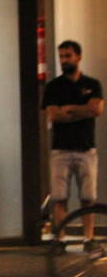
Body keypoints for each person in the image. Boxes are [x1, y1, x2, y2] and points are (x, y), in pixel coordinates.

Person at [42, 40, 104, 252]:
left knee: (88, 198)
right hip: (60, 149)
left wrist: (69, 109)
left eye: (68, 56)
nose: (64, 60)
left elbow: (96, 110)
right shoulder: (53, 87)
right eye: (61, 56)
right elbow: (53, 114)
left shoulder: (93, 84)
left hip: (86, 148)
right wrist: (81, 110)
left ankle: (89, 239)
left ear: (78, 56)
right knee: (59, 197)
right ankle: (60, 239)